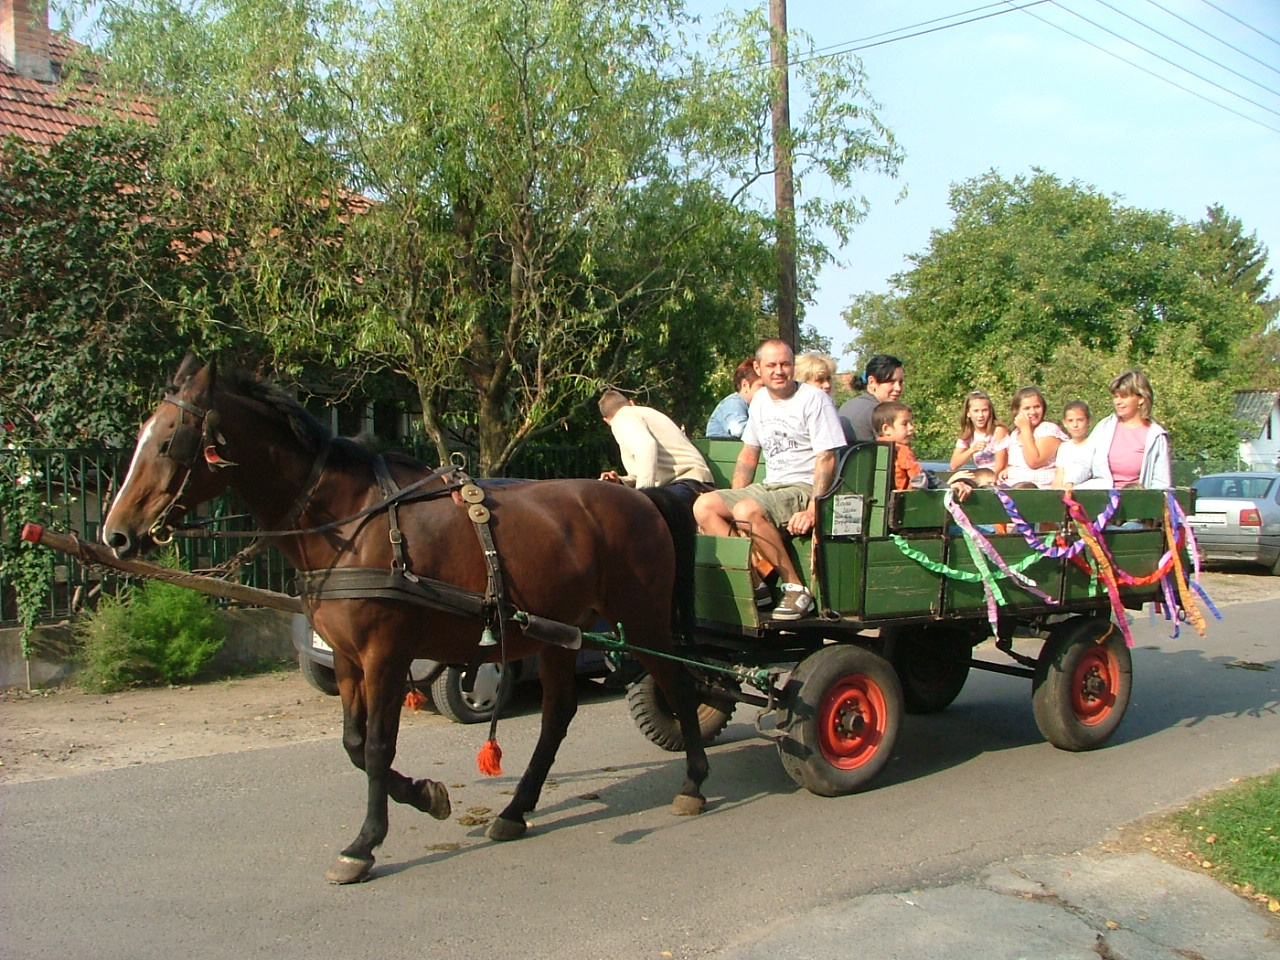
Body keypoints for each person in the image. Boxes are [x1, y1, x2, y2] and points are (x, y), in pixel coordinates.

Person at [692, 340, 845, 620]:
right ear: (757, 368)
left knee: (746, 510)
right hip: (771, 486)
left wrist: (814, 508)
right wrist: (733, 500)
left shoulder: (814, 399)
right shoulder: (761, 400)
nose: (779, 371)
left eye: (785, 364)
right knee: (705, 506)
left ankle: (796, 588)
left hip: (802, 485)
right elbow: (749, 454)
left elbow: (827, 458)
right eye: (771, 365)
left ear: (793, 367)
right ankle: (753, 583)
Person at [598, 390, 714, 508]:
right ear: (631, 402)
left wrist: (642, 497)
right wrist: (620, 481)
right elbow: (640, 472)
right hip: (696, 482)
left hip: (688, 484)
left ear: (607, 420)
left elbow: (646, 447)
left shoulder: (622, 418)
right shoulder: (646, 412)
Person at [1067, 370, 1172, 490]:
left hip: (1136, 501)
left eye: (1124, 396)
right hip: (1102, 499)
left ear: (1141, 399)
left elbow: (1161, 483)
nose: (1118, 402)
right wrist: (1070, 482)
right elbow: (1084, 461)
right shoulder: (1104, 427)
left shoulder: (1156, 436)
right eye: (1116, 397)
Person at [873, 401, 974, 499]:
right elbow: (919, 480)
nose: (911, 427)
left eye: (911, 423)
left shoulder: (872, 450)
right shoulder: (903, 451)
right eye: (905, 424)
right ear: (886, 429)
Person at [999, 386, 1066, 488]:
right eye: (1027, 408)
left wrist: (1026, 429)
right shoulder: (1015, 434)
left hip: (1037, 489)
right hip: (1012, 486)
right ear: (1017, 411)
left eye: (1037, 407)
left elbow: (1034, 462)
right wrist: (1007, 469)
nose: (1033, 412)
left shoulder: (1048, 429)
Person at [839, 354, 904, 443]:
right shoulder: (880, 413)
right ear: (872, 382)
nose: (898, 388)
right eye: (891, 382)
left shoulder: (846, 406)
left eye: (900, 382)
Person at [948, 389, 1009, 473]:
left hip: (997, 477)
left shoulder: (998, 431)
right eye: (976, 411)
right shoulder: (968, 434)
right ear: (968, 413)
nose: (980, 415)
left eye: (984, 410)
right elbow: (953, 465)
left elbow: (1000, 465)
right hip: (981, 477)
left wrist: (988, 481)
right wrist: (972, 450)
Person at [704, 359, 761, 439]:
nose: (767, 391)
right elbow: (739, 430)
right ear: (745, 385)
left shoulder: (756, 407)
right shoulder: (733, 403)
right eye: (762, 386)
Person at [1051, 400, 1092, 489]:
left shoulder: (1093, 445)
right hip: (1065, 492)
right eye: (1070, 421)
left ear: (1088, 421)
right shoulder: (1064, 447)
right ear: (1065, 423)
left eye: (1080, 420)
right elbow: (1059, 476)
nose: (1075, 425)